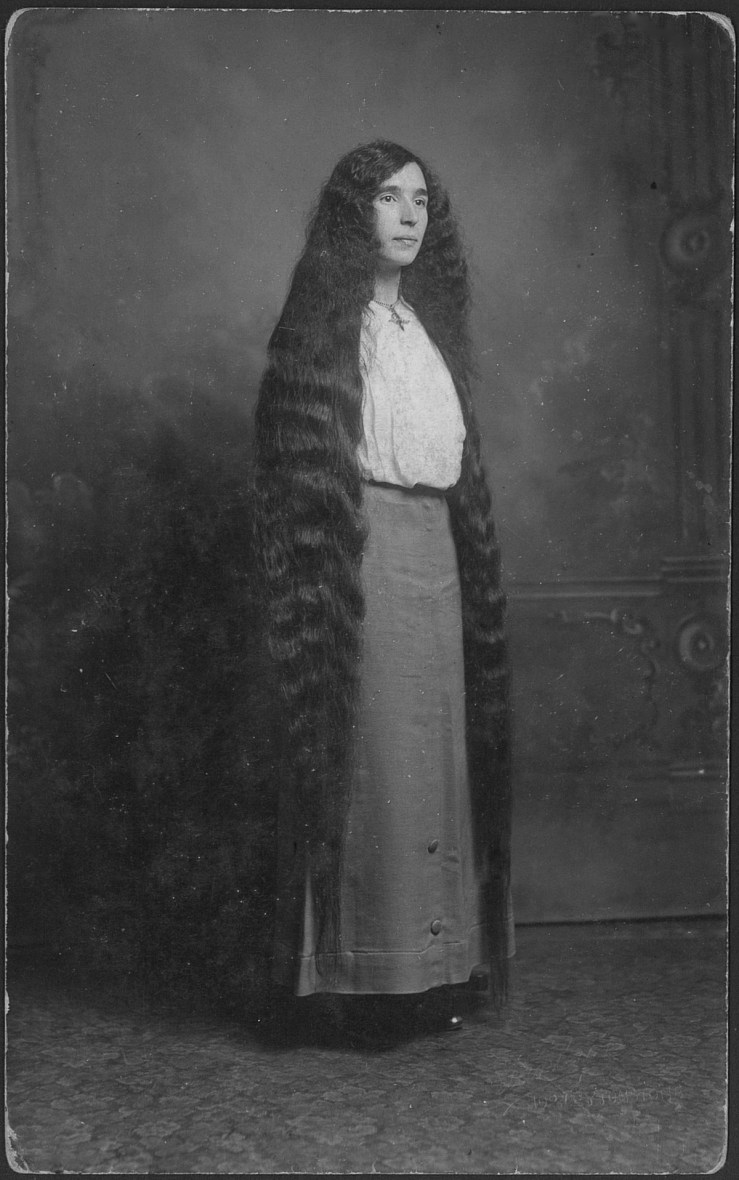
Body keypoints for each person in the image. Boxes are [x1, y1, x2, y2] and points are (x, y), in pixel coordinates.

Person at [252, 140, 511, 1044]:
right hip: (360, 556)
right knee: (377, 768)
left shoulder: (428, 336)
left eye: (418, 201)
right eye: (385, 199)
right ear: (349, 215)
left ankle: (437, 972)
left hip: (438, 555)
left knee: (437, 767)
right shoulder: (328, 330)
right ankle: (363, 984)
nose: (407, 215)